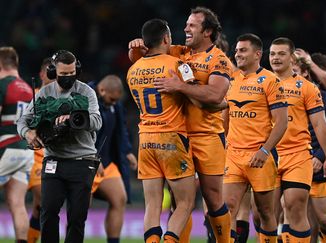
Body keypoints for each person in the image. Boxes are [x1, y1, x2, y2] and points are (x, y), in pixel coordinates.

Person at [129, 7, 233, 242]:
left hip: (207, 136)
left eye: (192, 25)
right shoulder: (176, 52)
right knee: (179, 200)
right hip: (176, 136)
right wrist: (135, 47)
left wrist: (181, 87)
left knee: (213, 197)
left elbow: (216, 96)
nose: (185, 28)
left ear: (207, 31)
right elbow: (144, 61)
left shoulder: (220, 60)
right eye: (186, 24)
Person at [17, 50, 102, 243]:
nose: (68, 77)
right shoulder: (45, 94)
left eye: (72, 72)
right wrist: (29, 133)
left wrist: (74, 119)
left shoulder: (86, 91)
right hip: (54, 160)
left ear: (77, 70)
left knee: (77, 217)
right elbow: (23, 120)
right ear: (53, 72)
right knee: (47, 212)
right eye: (63, 74)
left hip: (82, 161)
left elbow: (97, 121)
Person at [126, 18, 197, 243]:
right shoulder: (177, 64)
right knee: (185, 202)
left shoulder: (132, 71)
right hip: (172, 137)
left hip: (145, 140)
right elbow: (195, 95)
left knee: (152, 204)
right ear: (166, 39)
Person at [269, 37, 326, 243]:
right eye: (272, 54)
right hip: (269, 157)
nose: (276, 58)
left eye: (281, 54)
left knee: (310, 214)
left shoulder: (311, 90)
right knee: (267, 213)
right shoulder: (262, 84)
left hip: (302, 156)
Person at [223, 33, 288, 243]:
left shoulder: (270, 81)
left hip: (259, 157)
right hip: (233, 155)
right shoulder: (232, 79)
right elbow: (226, 114)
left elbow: (282, 122)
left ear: (257, 54)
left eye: (243, 50)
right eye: (236, 51)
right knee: (228, 209)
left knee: (264, 213)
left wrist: (264, 150)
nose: (237, 54)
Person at [293, 54, 326, 243]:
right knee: (292, 216)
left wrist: (321, 157)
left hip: (315, 165)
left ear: (305, 73)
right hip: (292, 164)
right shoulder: (279, 95)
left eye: (295, 71)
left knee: (322, 219)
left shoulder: (321, 95)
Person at [89, 74, 138, 243]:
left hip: (107, 163)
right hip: (87, 163)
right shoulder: (87, 100)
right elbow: (82, 133)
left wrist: (127, 151)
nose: (114, 102)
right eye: (111, 99)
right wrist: (94, 157)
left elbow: (121, 130)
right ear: (101, 90)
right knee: (80, 209)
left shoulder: (114, 106)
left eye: (116, 100)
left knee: (119, 199)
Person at [0, 46, 34, 243]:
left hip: (6, 148)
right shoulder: (28, 89)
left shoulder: (3, 85)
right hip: (25, 151)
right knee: (17, 203)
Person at [27, 57, 55, 243]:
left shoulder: (61, 97)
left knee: (40, 206)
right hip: (33, 158)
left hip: (54, 157)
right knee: (44, 201)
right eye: (49, 72)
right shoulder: (32, 96)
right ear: (41, 74)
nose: (52, 76)